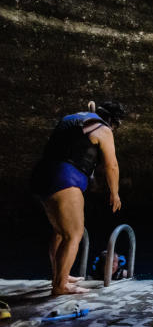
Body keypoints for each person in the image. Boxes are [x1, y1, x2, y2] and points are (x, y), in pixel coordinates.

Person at [30, 101, 124, 295]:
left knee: (59, 232)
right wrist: (114, 193)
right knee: (73, 234)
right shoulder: (103, 130)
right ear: (112, 121)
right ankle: (60, 286)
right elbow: (111, 165)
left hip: (42, 175)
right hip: (65, 178)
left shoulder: (71, 119)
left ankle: (60, 276)